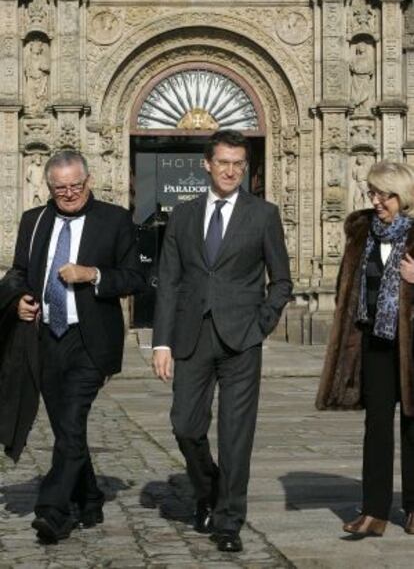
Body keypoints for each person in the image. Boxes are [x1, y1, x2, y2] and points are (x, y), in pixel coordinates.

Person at [152, 129, 292, 552]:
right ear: (207, 165)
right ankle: (208, 486)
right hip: (191, 337)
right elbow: (170, 282)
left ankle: (229, 519)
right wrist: (161, 343)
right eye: (223, 162)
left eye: (238, 164)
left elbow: (281, 281)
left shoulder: (263, 215)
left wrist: (260, 325)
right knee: (184, 425)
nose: (231, 170)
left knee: (235, 434)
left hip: (240, 340)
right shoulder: (183, 215)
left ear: (244, 167)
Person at [13, 150, 145, 542]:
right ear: (49, 188)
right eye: (60, 188)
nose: (69, 193)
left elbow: (135, 277)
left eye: (75, 185)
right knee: (67, 428)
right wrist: (20, 297)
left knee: (71, 420)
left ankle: (53, 510)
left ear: (88, 181)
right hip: (46, 338)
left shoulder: (115, 219)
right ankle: (89, 496)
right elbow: (20, 271)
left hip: (90, 341)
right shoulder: (33, 221)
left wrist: (93, 274)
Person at [316, 160, 414, 538]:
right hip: (375, 341)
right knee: (376, 426)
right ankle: (374, 511)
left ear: (401, 196)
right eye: (372, 193)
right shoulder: (363, 235)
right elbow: (348, 285)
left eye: (383, 195)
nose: (376, 201)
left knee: (412, 425)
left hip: (410, 345)